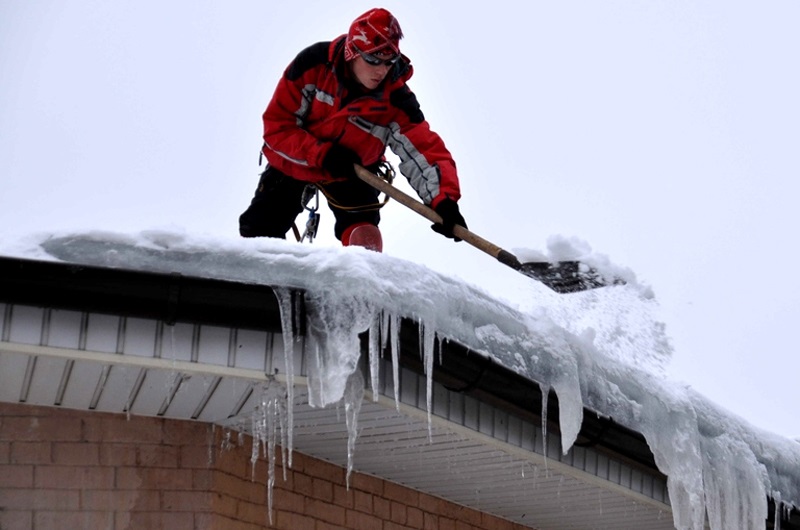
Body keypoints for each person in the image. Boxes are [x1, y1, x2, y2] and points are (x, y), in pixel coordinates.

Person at [239, 7, 466, 251]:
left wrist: (444, 200)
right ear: (352, 52)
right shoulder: (313, 64)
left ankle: (357, 274)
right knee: (259, 229)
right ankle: (261, 270)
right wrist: (322, 154)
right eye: (373, 60)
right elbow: (277, 127)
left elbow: (424, 149)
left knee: (365, 238)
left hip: (355, 171)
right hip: (295, 160)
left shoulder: (397, 99)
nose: (381, 70)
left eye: (389, 62)